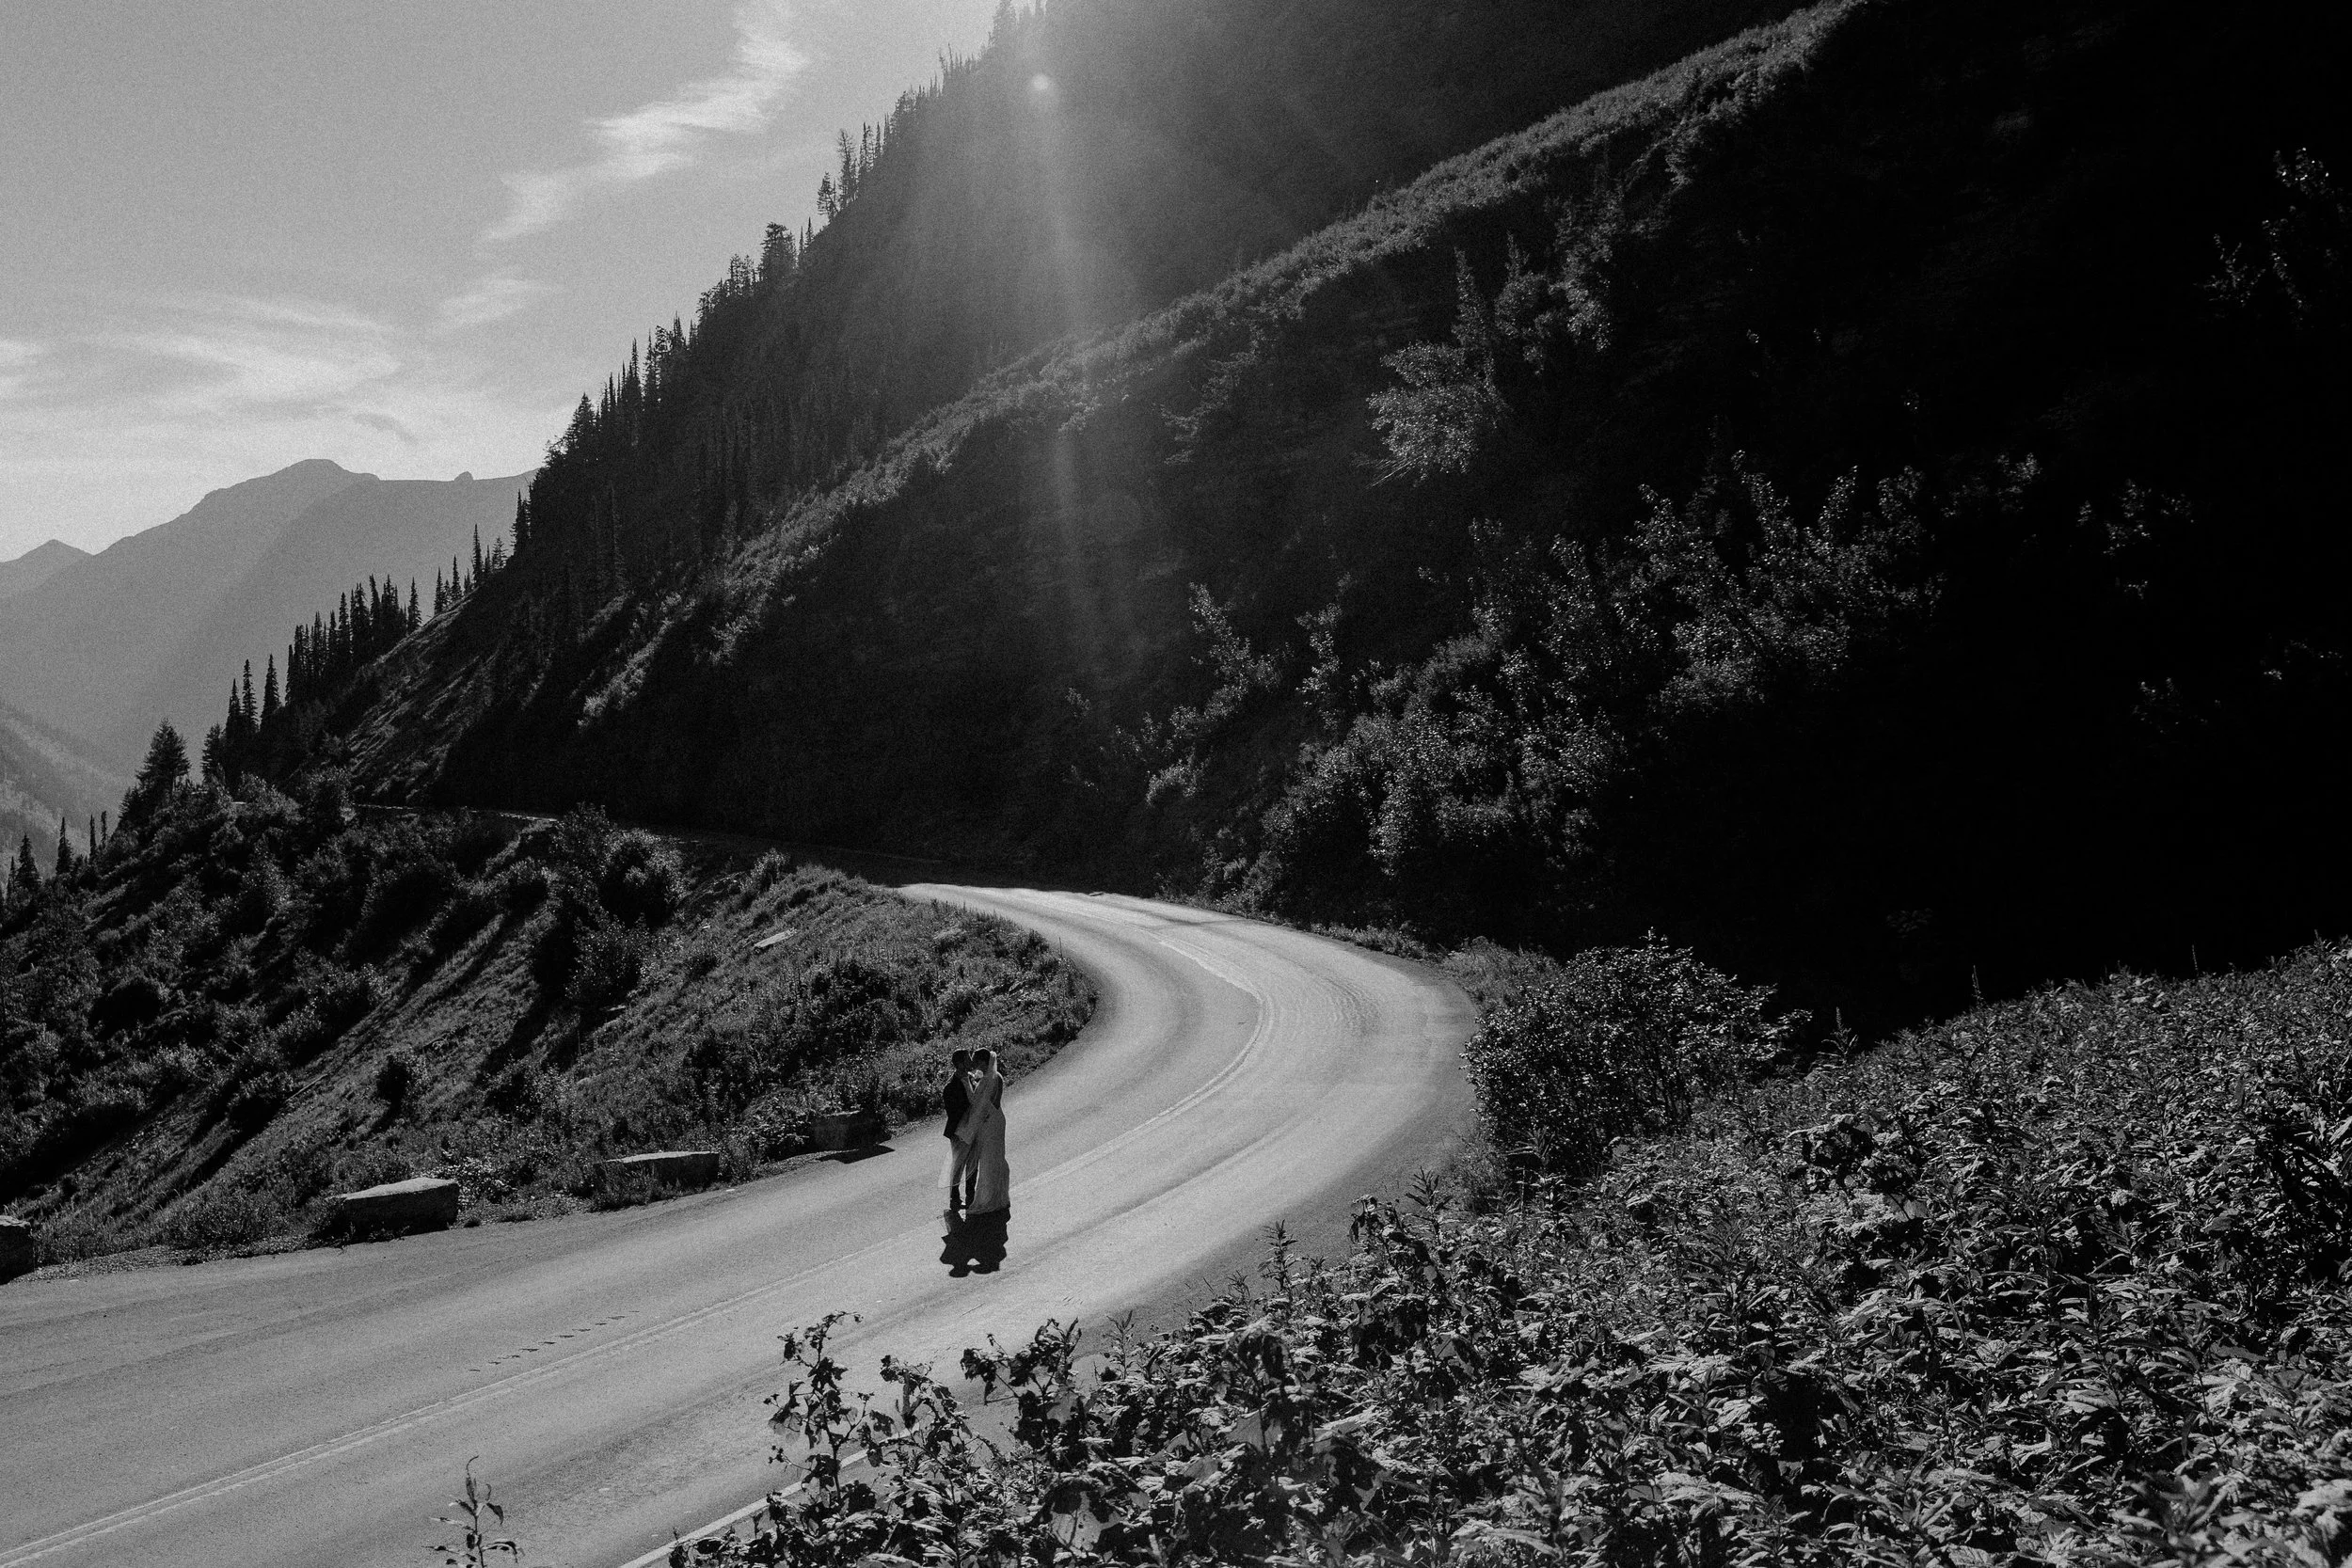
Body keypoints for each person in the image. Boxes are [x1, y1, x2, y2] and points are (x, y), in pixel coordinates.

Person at [957, 1048, 1011, 1216]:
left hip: (989, 1122)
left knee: (988, 1159)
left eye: (976, 1060)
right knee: (997, 1156)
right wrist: (975, 1081)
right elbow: (994, 1100)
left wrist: (966, 1082)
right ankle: (999, 1195)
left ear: (982, 1062)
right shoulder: (997, 1076)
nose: (974, 1064)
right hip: (998, 1119)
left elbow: (975, 1100)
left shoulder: (986, 1080)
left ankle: (988, 1199)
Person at [940, 1050, 977, 1213]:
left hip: (973, 1127)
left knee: (974, 1161)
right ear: (960, 1063)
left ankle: (971, 1194)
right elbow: (953, 1112)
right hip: (959, 1131)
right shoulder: (950, 1087)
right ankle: (954, 1199)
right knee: (958, 1164)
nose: (971, 1061)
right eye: (968, 1058)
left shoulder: (971, 1077)